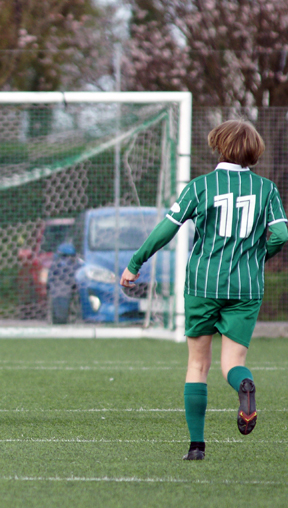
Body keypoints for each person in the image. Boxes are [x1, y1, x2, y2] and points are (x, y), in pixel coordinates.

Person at [120, 119, 288, 460]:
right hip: (246, 286)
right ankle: (243, 384)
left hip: (203, 284)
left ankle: (197, 446)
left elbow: (166, 230)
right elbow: (282, 235)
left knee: (198, 364)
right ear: (252, 151)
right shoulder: (266, 189)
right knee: (233, 362)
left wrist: (135, 263)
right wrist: (258, 256)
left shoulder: (201, 186)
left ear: (219, 145)